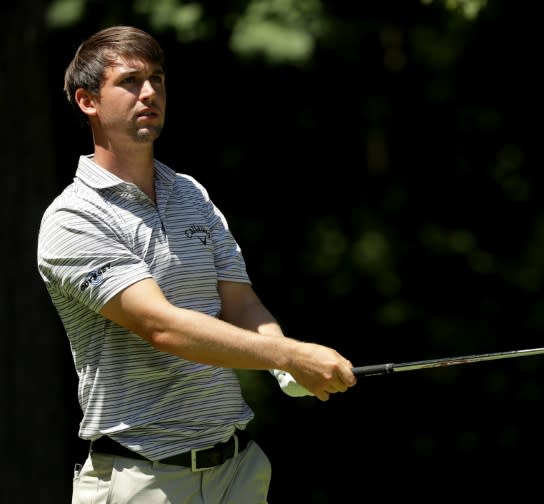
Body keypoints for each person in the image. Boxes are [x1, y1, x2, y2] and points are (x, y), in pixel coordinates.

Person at [37, 25, 357, 503]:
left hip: (236, 470)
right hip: (141, 477)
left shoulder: (190, 193)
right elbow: (162, 327)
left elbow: (239, 301)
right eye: (130, 81)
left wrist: (284, 362)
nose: (150, 93)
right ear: (88, 102)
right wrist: (290, 355)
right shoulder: (73, 217)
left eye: (158, 79)